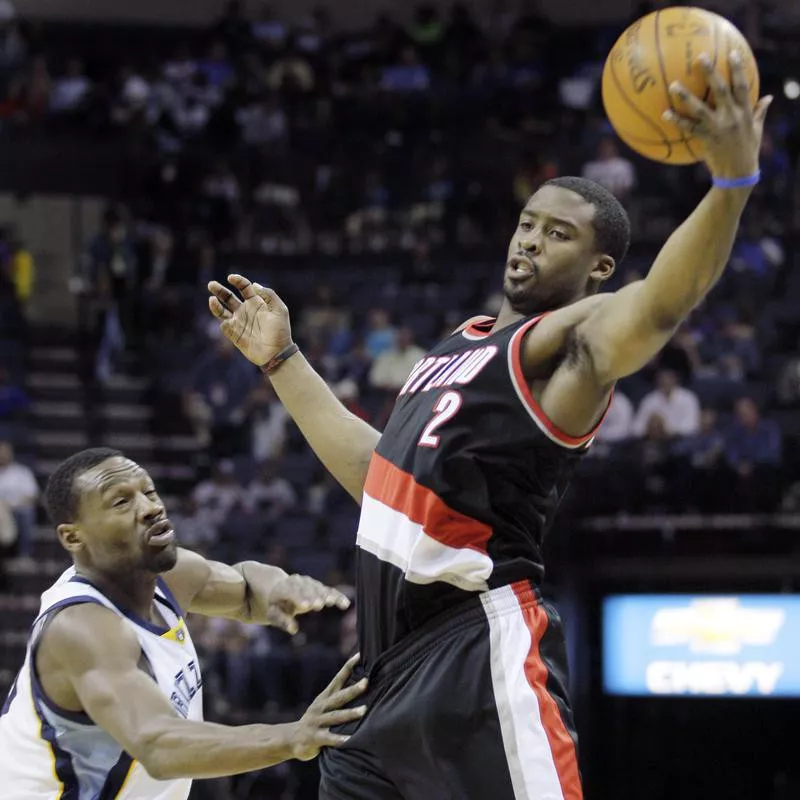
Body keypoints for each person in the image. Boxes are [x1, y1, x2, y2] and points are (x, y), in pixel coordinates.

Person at [208, 54, 770, 800]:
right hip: (381, 680)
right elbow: (378, 478)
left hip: (478, 650)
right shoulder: (455, 345)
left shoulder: (568, 353)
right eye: (527, 223)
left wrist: (731, 185)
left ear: (599, 268)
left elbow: (658, 307)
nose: (531, 240)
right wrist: (281, 361)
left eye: (558, 234)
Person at [0, 447, 367, 798]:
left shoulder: (168, 577)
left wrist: (281, 587)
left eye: (149, 491)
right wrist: (292, 738)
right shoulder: (82, 628)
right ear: (72, 536)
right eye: (121, 501)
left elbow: (246, 586)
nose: (150, 508)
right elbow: (159, 745)